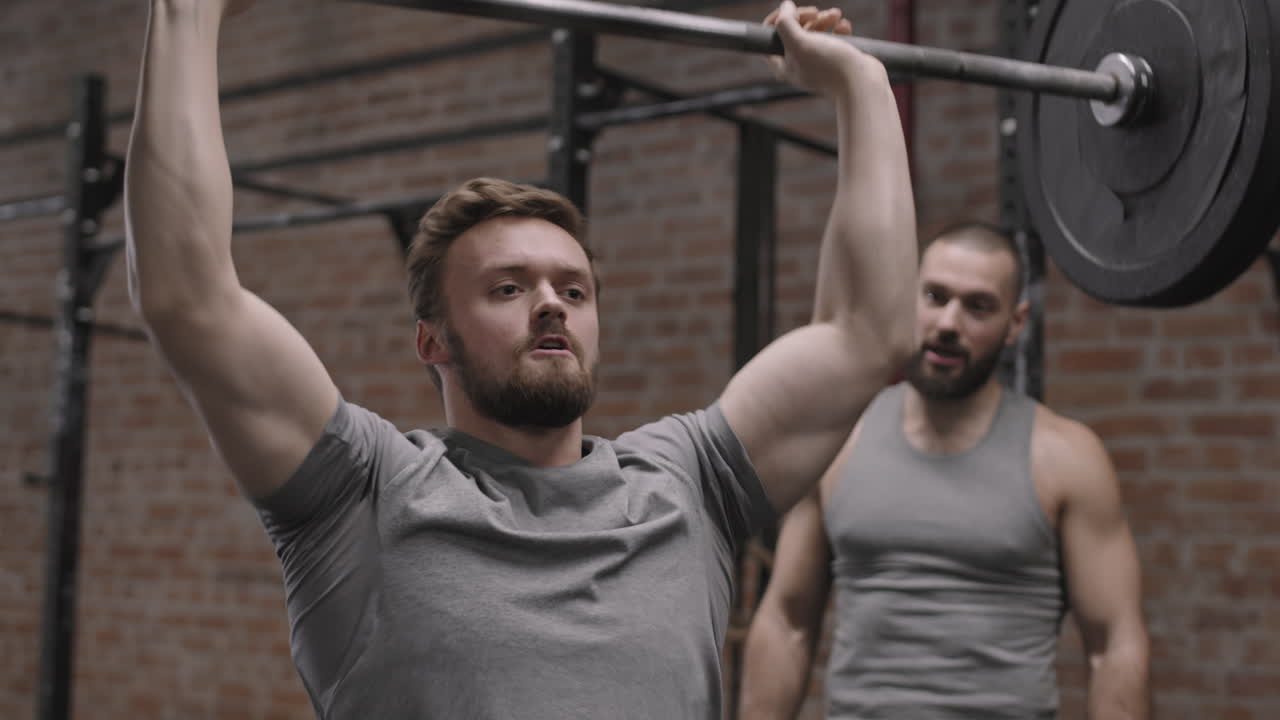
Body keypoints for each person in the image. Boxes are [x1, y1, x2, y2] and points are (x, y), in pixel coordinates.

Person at [124, 0, 917, 717]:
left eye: (573, 291)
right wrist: (188, 14)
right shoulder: (363, 492)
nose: (549, 303)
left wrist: (861, 86)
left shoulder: (689, 482)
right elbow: (187, 295)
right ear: (432, 339)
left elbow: (867, 332)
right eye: (507, 289)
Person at [738, 223, 1151, 720]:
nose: (949, 322)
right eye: (935, 296)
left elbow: (1113, 647)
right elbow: (787, 621)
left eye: (978, 306)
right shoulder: (839, 441)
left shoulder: (1066, 456)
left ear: (1016, 323)